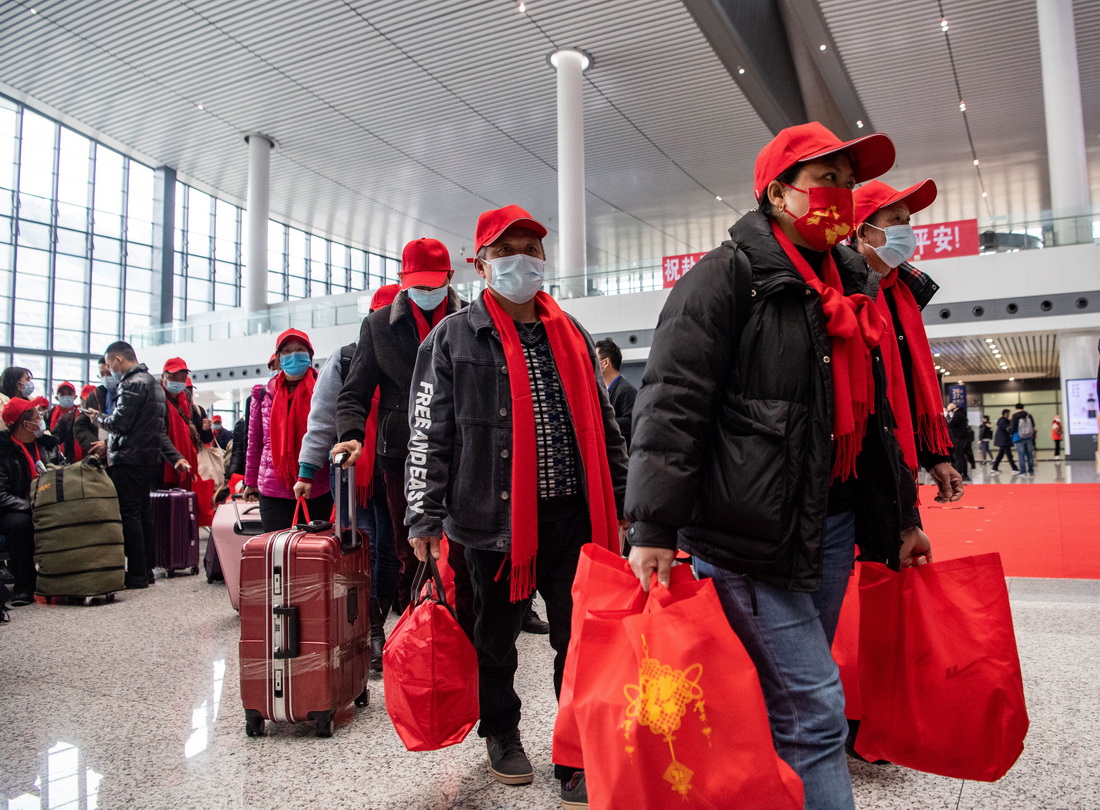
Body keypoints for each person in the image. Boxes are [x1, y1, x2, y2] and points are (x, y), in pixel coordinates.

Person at [624, 122, 931, 810]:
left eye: (850, 182)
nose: (842, 195)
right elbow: (673, 404)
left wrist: (902, 517)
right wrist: (652, 527)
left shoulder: (853, 285)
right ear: (777, 193)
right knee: (817, 707)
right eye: (827, 180)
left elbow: (875, 419)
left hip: (828, 525)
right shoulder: (727, 277)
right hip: (749, 535)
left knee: (781, 701)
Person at [404, 204, 628, 805]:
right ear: (480, 264)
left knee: (576, 640)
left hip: (575, 518)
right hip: (489, 523)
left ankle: (574, 750)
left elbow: (606, 428)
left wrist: (628, 499)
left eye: (531, 248)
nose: (522, 260)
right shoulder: (450, 339)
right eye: (507, 251)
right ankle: (501, 730)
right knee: (495, 640)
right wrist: (422, 514)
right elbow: (429, 434)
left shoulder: (571, 333)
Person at [331, 240, 490, 632]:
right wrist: (352, 435)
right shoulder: (378, 326)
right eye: (416, 283)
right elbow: (354, 392)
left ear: (451, 277)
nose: (425, 290)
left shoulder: (471, 320)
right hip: (402, 454)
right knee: (411, 549)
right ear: (402, 281)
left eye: (433, 282)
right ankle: (417, 632)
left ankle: (465, 636)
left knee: (467, 552)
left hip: (463, 452)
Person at [296, 285, 402, 671]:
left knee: (391, 553)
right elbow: (324, 417)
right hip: (354, 476)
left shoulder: (412, 353)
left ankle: (379, 624)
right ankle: (373, 634)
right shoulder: (343, 358)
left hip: (397, 469)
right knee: (362, 550)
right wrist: (308, 470)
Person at [849, 179, 962, 502]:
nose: (906, 229)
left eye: (908, 221)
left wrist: (936, 458)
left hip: (896, 463)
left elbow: (911, 388)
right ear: (863, 232)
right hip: (857, 465)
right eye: (895, 220)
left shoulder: (904, 293)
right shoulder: (844, 292)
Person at [88, 342, 188, 589]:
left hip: (129, 459)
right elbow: (159, 429)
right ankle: (145, 570)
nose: (110, 370)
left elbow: (120, 422)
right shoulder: (154, 383)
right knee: (144, 514)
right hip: (149, 459)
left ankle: (135, 574)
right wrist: (173, 457)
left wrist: (97, 417)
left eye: (110, 364)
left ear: (119, 360)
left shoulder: (131, 383)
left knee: (130, 515)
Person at [243, 329, 333, 531]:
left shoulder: (323, 389)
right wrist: (250, 481)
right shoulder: (262, 394)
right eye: (287, 351)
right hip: (273, 487)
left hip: (316, 485)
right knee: (277, 550)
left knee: (311, 551)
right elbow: (255, 441)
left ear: (310, 356)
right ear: (278, 358)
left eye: (300, 349)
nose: (294, 355)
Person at [0, 396, 62, 605]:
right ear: (26, 424)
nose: (42, 419)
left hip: (51, 502)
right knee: (20, 524)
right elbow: (1, 495)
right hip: (16, 508)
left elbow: (65, 474)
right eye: (38, 416)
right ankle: (24, 586)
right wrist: (31, 507)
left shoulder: (49, 446)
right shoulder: (3, 451)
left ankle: (69, 578)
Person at [160, 357, 214, 490]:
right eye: (173, 377)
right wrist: (174, 457)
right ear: (163, 376)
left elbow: (198, 435)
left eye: (182, 378)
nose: (178, 382)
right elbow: (158, 432)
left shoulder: (186, 400)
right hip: (163, 463)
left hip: (185, 458)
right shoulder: (157, 396)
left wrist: (205, 429)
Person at [595, 337, 638, 450]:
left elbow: (631, 422)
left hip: (625, 458)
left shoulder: (627, 391)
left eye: (594, 360)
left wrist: (600, 422)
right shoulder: (603, 391)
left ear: (605, 363)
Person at [74, 362, 115, 460]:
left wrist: (107, 444)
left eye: (109, 373)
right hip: (99, 456)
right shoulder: (95, 395)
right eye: (102, 374)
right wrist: (95, 445)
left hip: (123, 455)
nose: (106, 377)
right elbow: (80, 426)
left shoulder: (128, 394)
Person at [48, 381, 82, 461]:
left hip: (75, 458)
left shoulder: (81, 414)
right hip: (54, 458)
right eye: (62, 394)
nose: (66, 396)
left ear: (75, 396)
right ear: (57, 397)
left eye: (70, 394)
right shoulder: (49, 414)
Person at [946, 402, 971, 482]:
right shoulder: (962, 414)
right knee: (962, 456)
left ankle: (959, 473)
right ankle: (964, 474)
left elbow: (951, 424)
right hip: (963, 438)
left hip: (958, 438)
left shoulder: (958, 415)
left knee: (958, 456)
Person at [1010, 402, 1036, 475]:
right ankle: (1031, 470)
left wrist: (1009, 430)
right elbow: (1033, 425)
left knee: (1021, 455)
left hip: (1019, 438)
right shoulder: (1028, 415)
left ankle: (1023, 471)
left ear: (1016, 408)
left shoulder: (1015, 416)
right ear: (1023, 407)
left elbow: (1013, 428)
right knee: (1030, 455)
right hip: (1029, 437)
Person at [991, 408, 1018, 472]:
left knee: (1000, 454)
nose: (1010, 415)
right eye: (1009, 414)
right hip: (1004, 440)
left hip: (1003, 440)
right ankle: (1014, 468)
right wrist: (1012, 423)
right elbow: (1008, 429)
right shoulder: (1003, 421)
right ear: (1006, 414)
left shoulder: (1002, 420)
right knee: (1009, 455)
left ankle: (994, 467)